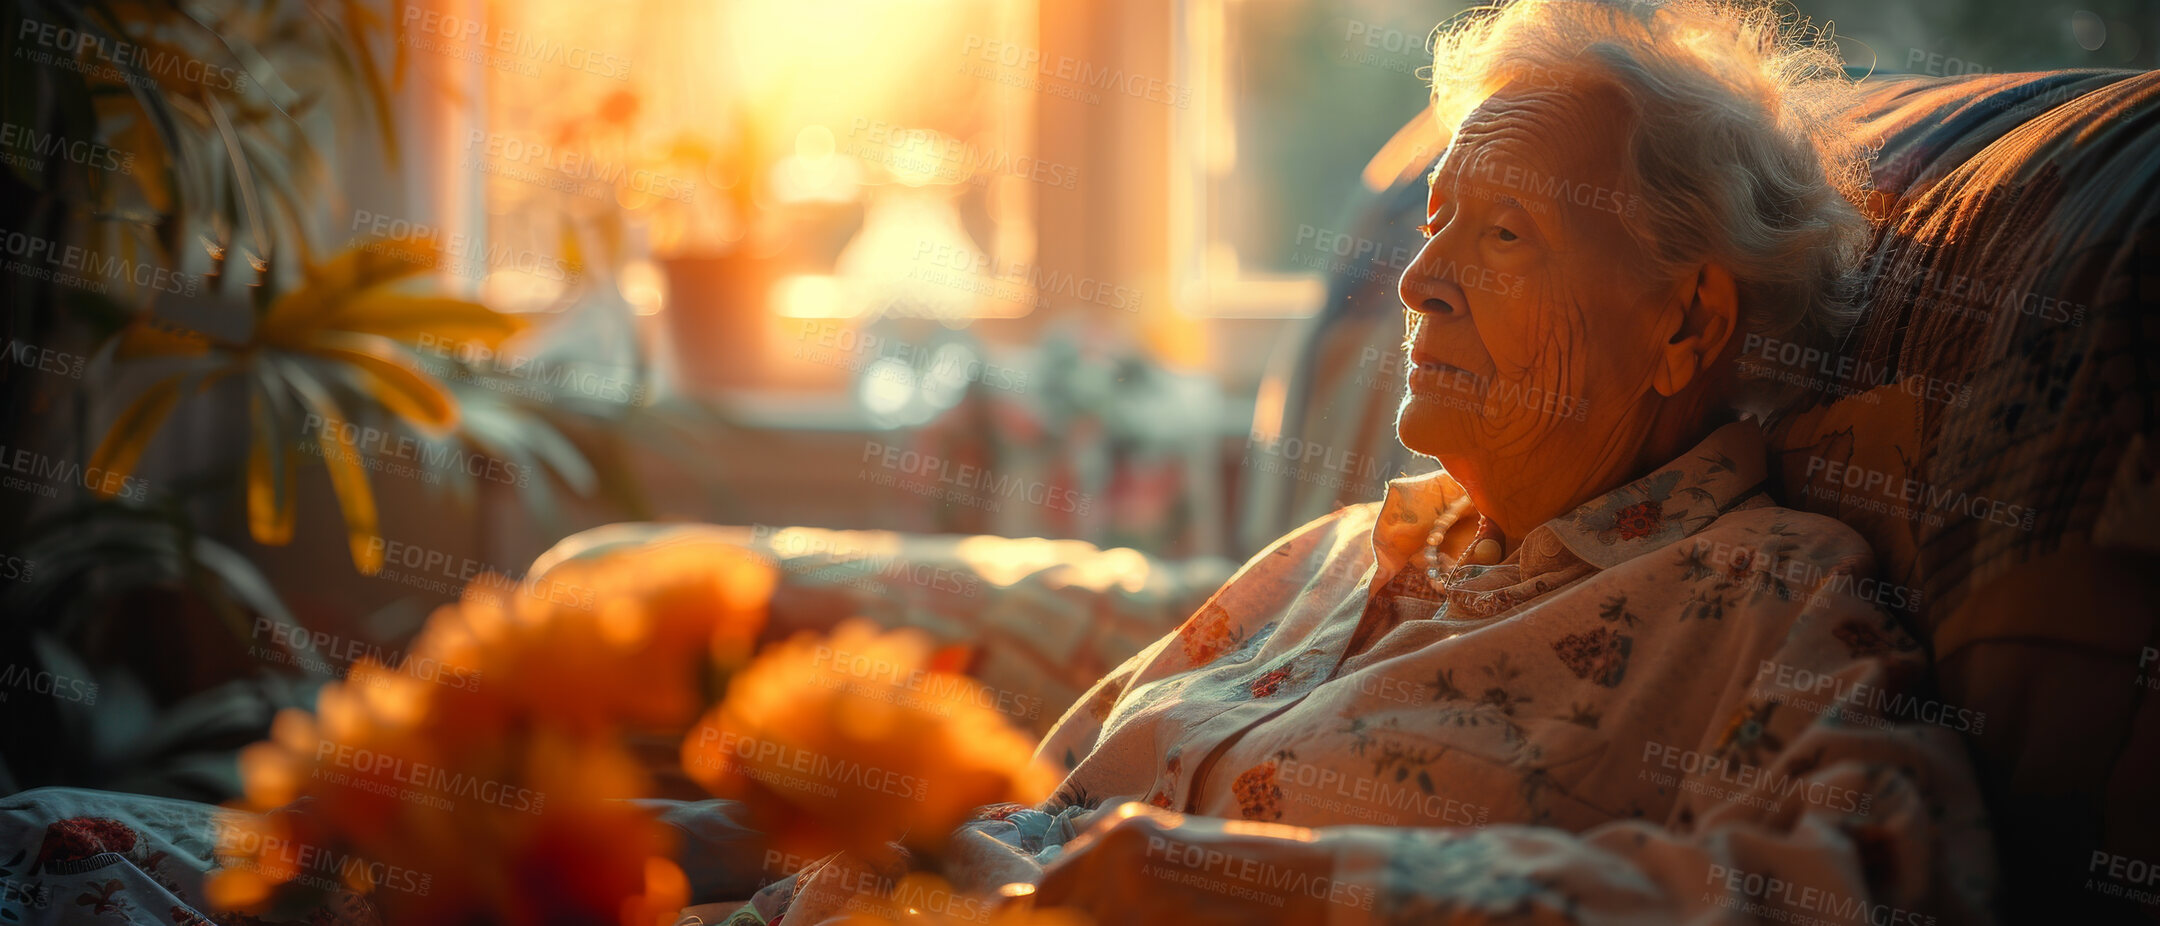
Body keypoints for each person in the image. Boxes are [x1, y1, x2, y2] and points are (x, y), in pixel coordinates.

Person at [754, 0, 1995, 922]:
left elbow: (1880, 881)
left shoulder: (1762, 594)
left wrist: (1275, 880)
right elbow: (1020, 808)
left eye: (1501, 231)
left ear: (1683, 325)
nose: (1415, 279)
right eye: (1436, 220)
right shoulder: (1336, 552)